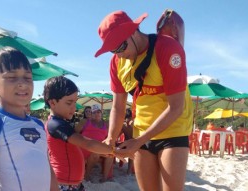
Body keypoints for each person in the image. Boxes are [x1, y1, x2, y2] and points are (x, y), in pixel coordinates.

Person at [95, 10, 193, 191]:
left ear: (132, 32)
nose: (118, 54)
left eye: (120, 47)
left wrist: (139, 140)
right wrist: (110, 138)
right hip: (141, 131)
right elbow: (117, 106)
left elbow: (176, 107)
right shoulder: (116, 62)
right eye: (113, 50)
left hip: (173, 129)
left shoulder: (167, 48)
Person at [0, 46, 59, 191]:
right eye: (11, 77)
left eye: (28, 77)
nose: (22, 83)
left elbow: (48, 169)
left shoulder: (39, 125)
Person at [43, 76, 124, 191]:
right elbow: (87, 143)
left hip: (72, 182)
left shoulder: (58, 123)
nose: (74, 107)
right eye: (69, 102)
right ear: (52, 102)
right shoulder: (56, 124)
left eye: (75, 102)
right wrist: (113, 151)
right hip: (64, 184)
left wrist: (104, 150)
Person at [75, 104, 114, 182]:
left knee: (111, 153)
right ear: (91, 114)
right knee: (95, 153)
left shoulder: (106, 124)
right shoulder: (85, 121)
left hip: (99, 147)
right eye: (94, 112)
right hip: (86, 147)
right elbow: (75, 133)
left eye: (98, 112)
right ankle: (87, 175)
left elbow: (110, 137)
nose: (97, 114)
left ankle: (105, 177)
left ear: (101, 113)